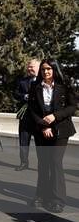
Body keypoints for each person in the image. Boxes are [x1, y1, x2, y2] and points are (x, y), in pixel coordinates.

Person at [28, 59, 76, 213]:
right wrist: (43, 126)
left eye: (49, 69)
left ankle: (57, 199)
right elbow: (32, 109)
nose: (46, 72)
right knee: (43, 163)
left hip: (61, 130)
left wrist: (55, 116)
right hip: (41, 130)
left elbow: (72, 106)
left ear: (54, 70)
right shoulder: (35, 87)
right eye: (43, 69)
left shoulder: (64, 86)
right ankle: (41, 196)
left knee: (55, 162)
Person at [14, 59, 40, 171]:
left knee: (40, 144)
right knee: (23, 142)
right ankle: (24, 163)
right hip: (25, 117)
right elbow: (15, 93)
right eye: (28, 67)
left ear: (39, 67)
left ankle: (42, 164)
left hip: (39, 118)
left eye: (32, 67)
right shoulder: (22, 81)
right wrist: (24, 96)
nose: (30, 69)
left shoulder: (44, 81)